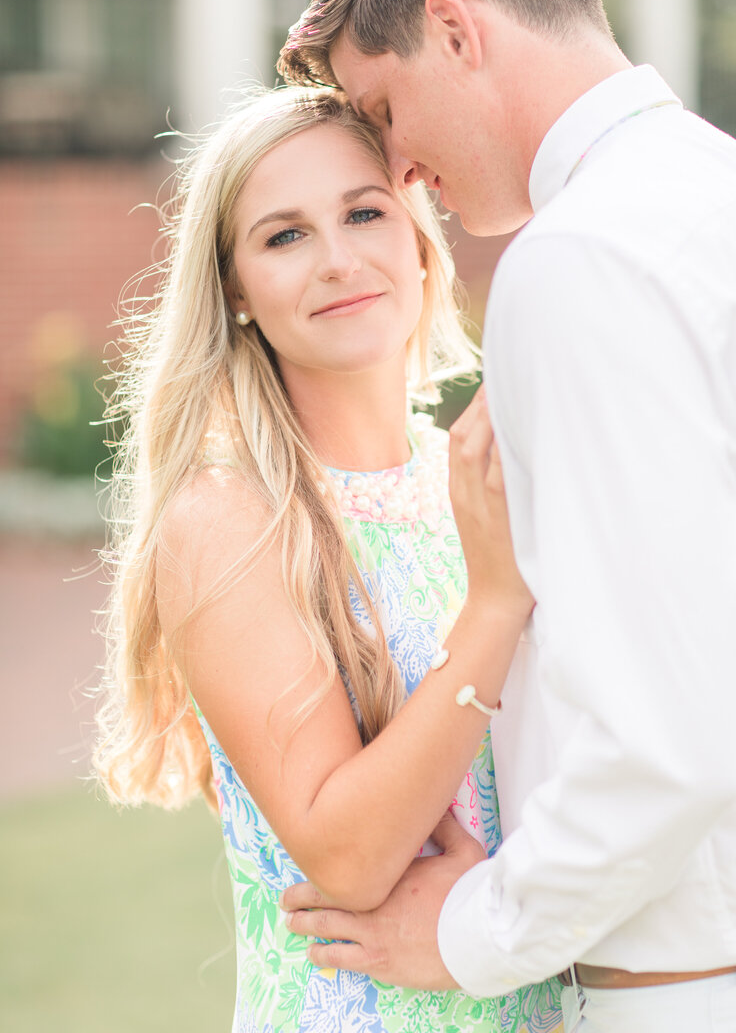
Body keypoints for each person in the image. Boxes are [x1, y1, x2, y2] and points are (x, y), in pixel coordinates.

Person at [276, 0, 736, 1032]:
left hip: (703, 995)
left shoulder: (578, 260)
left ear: (452, 30)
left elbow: (670, 742)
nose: (399, 170)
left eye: (382, 113)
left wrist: (466, 932)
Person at [92, 84, 565, 1033]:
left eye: (362, 212)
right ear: (234, 290)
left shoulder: (474, 476)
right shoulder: (228, 520)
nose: (339, 259)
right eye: (284, 236)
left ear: (418, 238)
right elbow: (346, 857)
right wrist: (494, 606)